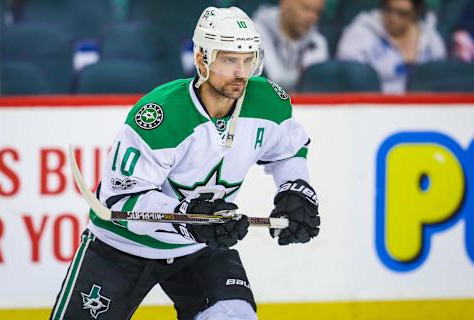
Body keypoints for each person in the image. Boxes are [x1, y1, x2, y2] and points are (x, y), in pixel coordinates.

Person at [50, 6, 320, 320]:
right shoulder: (160, 115)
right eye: (229, 59)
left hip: (199, 248)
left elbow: (288, 151)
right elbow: (121, 199)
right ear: (202, 59)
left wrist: (295, 191)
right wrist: (188, 216)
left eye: (248, 59)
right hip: (122, 246)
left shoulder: (268, 102)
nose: (241, 72)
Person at [337, 0, 446, 93]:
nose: (393, 18)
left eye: (402, 13)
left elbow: (439, 82)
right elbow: (348, 79)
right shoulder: (360, 34)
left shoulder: (431, 39)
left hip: (423, 108)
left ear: (415, 13)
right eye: (389, 10)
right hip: (375, 108)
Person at [253, 0, 329, 91]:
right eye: (306, 8)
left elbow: (312, 85)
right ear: (285, 3)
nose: (312, 17)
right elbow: (274, 79)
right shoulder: (255, 33)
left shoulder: (318, 42)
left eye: (317, 12)